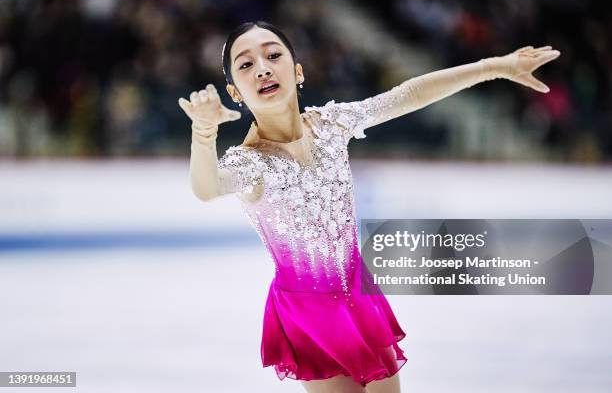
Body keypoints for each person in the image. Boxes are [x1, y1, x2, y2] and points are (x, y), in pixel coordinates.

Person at [178, 20, 560, 393]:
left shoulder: (331, 124)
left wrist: (494, 67)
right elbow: (208, 188)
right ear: (235, 93)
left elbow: (408, 95)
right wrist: (203, 131)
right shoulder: (250, 164)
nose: (262, 68)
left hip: (359, 292)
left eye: (272, 55)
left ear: (297, 72)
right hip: (309, 311)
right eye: (246, 65)